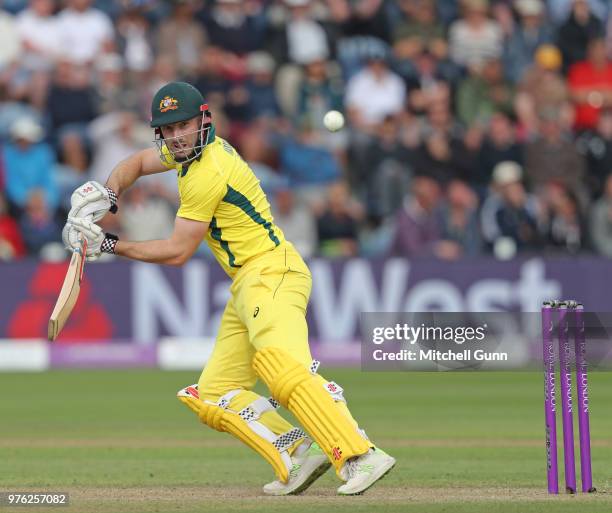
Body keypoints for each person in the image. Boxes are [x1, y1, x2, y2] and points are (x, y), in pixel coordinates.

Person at [61, 81, 395, 496]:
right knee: (214, 394)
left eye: (183, 125)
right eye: (167, 129)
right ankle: (298, 451)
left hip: (272, 273)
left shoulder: (209, 170)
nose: (176, 136)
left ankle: (360, 453)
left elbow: (178, 250)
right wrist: (109, 193)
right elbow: (135, 163)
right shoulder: (184, 150)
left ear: (204, 120)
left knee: (284, 370)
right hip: (247, 285)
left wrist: (108, 244)